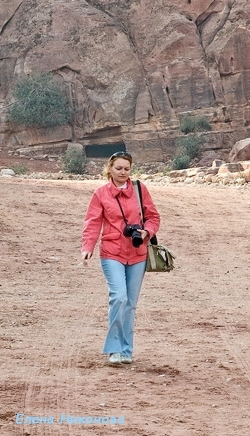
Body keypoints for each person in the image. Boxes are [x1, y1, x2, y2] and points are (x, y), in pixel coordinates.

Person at [81, 151, 160, 365]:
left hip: (138, 253)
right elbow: (93, 222)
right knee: (119, 297)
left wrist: (147, 232)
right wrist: (88, 246)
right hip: (111, 252)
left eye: (127, 169)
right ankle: (114, 349)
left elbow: (153, 217)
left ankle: (126, 351)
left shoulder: (139, 189)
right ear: (110, 169)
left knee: (131, 304)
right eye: (119, 168)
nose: (123, 172)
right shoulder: (100, 193)